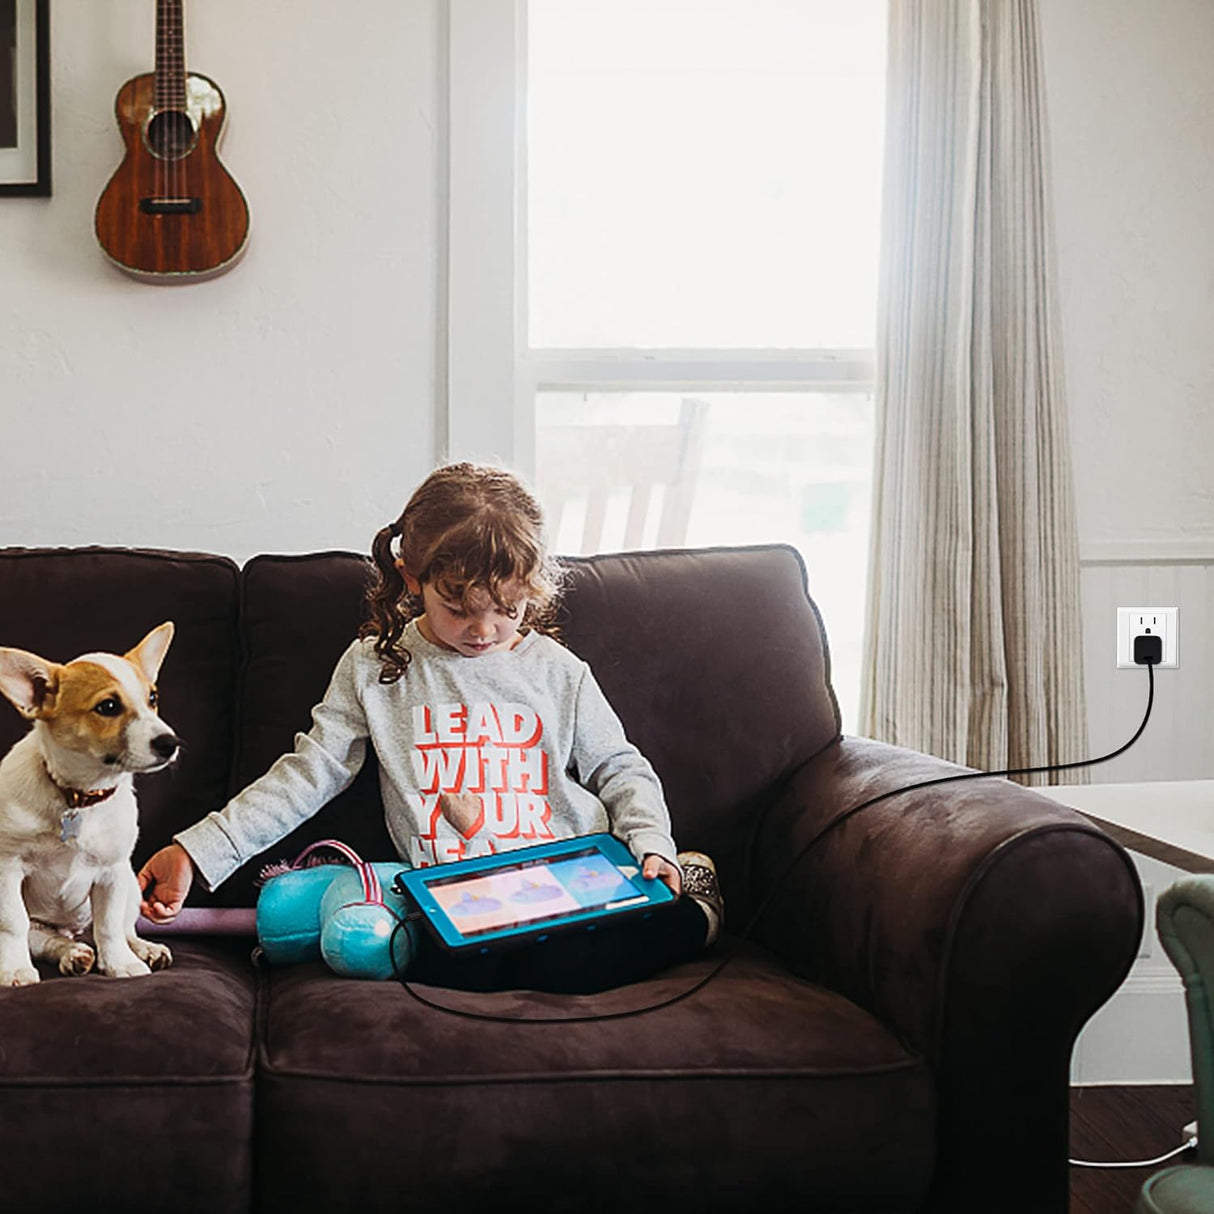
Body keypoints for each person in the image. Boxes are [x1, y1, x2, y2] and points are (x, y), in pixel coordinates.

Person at [138, 462, 723, 993]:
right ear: (412, 578)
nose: (484, 631)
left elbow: (621, 768)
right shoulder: (373, 666)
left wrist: (652, 843)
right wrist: (197, 852)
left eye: (507, 609)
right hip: (456, 900)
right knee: (445, 967)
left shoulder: (558, 672)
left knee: (572, 966)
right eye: (460, 609)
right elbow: (307, 774)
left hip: (566, 882)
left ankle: (696, 904)